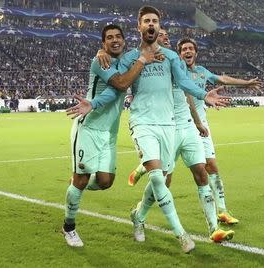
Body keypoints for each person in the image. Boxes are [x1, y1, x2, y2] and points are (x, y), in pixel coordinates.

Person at [67, 6, 229, 253]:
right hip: (141, 123)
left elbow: (185, 82)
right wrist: (96, 98)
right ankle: (181, 235)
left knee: (130, 180)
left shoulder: (170, 57)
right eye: (146, 21)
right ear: (139, 27)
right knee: (155, 175)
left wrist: (203, 94)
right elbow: (117, 86)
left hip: (168, 125)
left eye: (155, 20)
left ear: (159, 25)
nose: (151, 24)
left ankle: (138, 216)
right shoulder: (130, 57)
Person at [127, 27, 235, 243]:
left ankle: (214, 228)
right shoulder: (151, 65)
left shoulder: (175, 62)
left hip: (187, 127)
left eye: (167, 36)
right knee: (163, 181)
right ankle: (139, 215)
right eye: (161, 36)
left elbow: (188, 96)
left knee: (201, 173)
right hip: (167, 127)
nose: (165, 37)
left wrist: (197, 121)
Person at [62, 24, 154, 248]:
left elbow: (144, 48)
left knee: (105, 181)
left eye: (118, 37)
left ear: (124, 40)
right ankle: (69, 227)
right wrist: (142, 61)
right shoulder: (100, 61)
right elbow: (122, 84)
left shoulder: (125, 60)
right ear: (103, 44)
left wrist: (156, 42)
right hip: (89, 127)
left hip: (109, 133)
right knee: (82, 179)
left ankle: (76, 186)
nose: (114, 40)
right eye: (109, 38)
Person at [177, 37, 261, 224]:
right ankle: (143, 207)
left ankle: (222, 210)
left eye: (191, 48)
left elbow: (222, 79)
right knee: (164, 174)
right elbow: (187, 96)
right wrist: (197, 122)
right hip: (181, 125)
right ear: (180, 54)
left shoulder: (201, 71)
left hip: (201, 125)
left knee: (211, 166)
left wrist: (245, 83)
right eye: (184, 49)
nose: (188, 51)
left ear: (196, 53)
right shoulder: (178, 71)